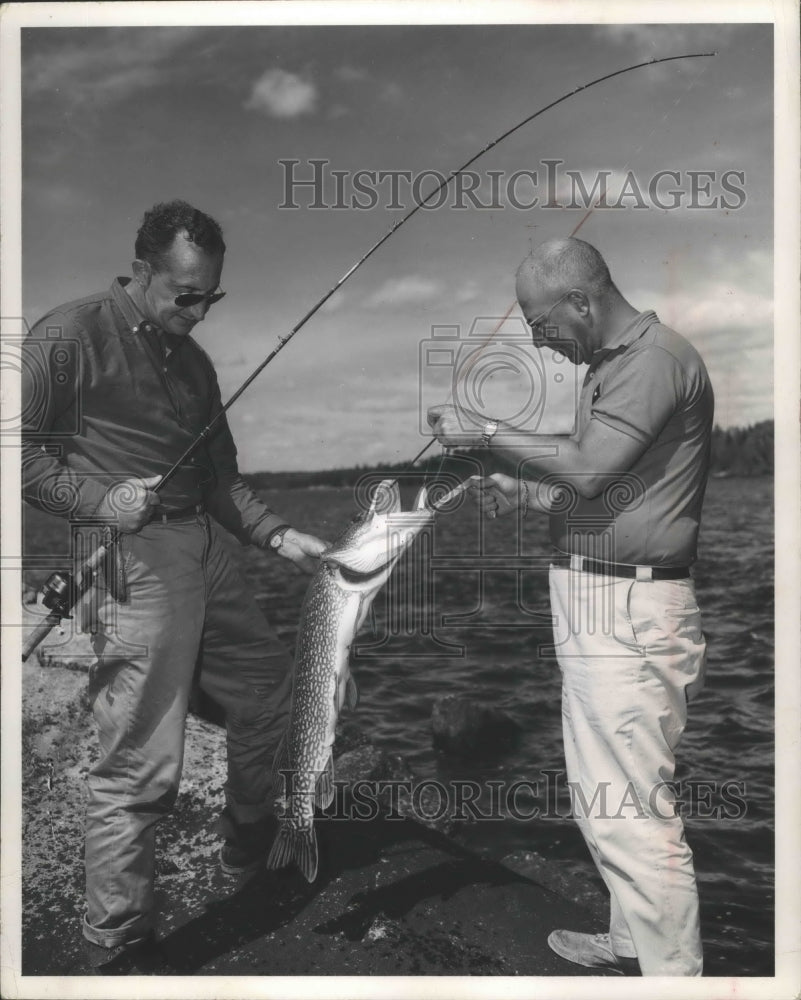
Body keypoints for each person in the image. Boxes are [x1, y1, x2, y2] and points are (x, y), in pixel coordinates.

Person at [21, 200, 328, 974]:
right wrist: (100, 502)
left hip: (204, 545)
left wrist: (278, 535)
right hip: (126, 552)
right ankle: (118, 943)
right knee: (140, 764)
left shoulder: (195, 362)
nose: (197, 312)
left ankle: (249, 837)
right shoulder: (68, 336)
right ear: (143, 269)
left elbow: (220, 480)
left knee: (268, 692)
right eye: (184, 294)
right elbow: (20, 459)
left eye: (210, 298)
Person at [428, 237, 713, 976]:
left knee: (631, 812)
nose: (537, 340)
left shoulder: (652, 359)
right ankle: (629, 944)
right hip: (601, 601)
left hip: (629, 608)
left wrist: (486, 433)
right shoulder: (612, 369)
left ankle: (672, 981)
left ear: (582, 302)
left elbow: (587, 470)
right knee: (606, 797)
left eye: (539, 322)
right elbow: (609, 484)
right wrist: (522, 490)